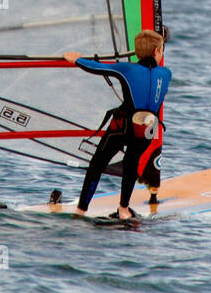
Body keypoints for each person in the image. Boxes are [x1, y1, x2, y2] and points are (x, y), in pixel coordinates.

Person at [62, 29, 170, 221]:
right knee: (131, 165)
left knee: (97, 164)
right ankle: (123, 210)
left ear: (138, 53)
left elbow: (97, 67)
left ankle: (81, 211)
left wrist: (76, 59)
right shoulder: (166, 73)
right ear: (156, 52)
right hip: (146, 130)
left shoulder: (127, 69)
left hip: (122, 126)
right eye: (161, 49)